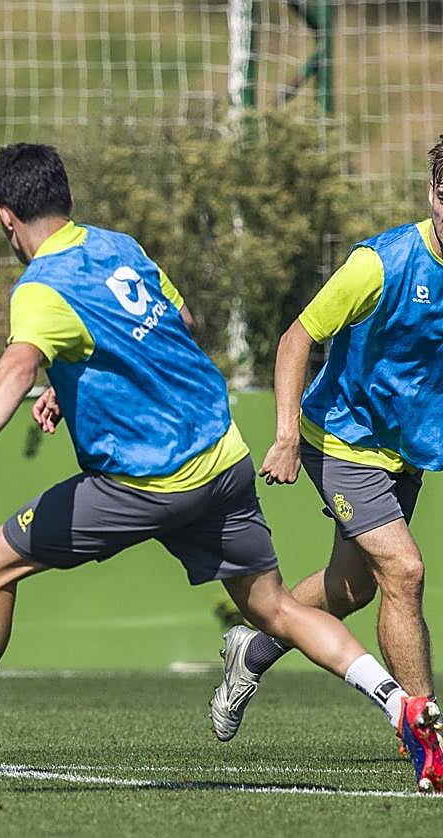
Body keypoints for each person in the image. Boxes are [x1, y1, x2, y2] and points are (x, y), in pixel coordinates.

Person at [0, 143, 443, 793]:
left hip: (145, 480)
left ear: (5, 218)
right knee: (275, 606)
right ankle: (405, 706)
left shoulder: (42, 287)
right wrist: (73, 376)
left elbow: (19, 363)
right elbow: (178, 321)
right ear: (69, 202)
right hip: (222, 460)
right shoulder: (119, 248)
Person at [209, 136, 443, 746]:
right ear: (433, 194)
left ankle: (254, 644)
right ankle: (425, 732)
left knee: (355, 587)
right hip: (339, 437)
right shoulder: (382, 263)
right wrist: (285, 434)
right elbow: (296, 337)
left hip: (403, 448)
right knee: (404, 570)